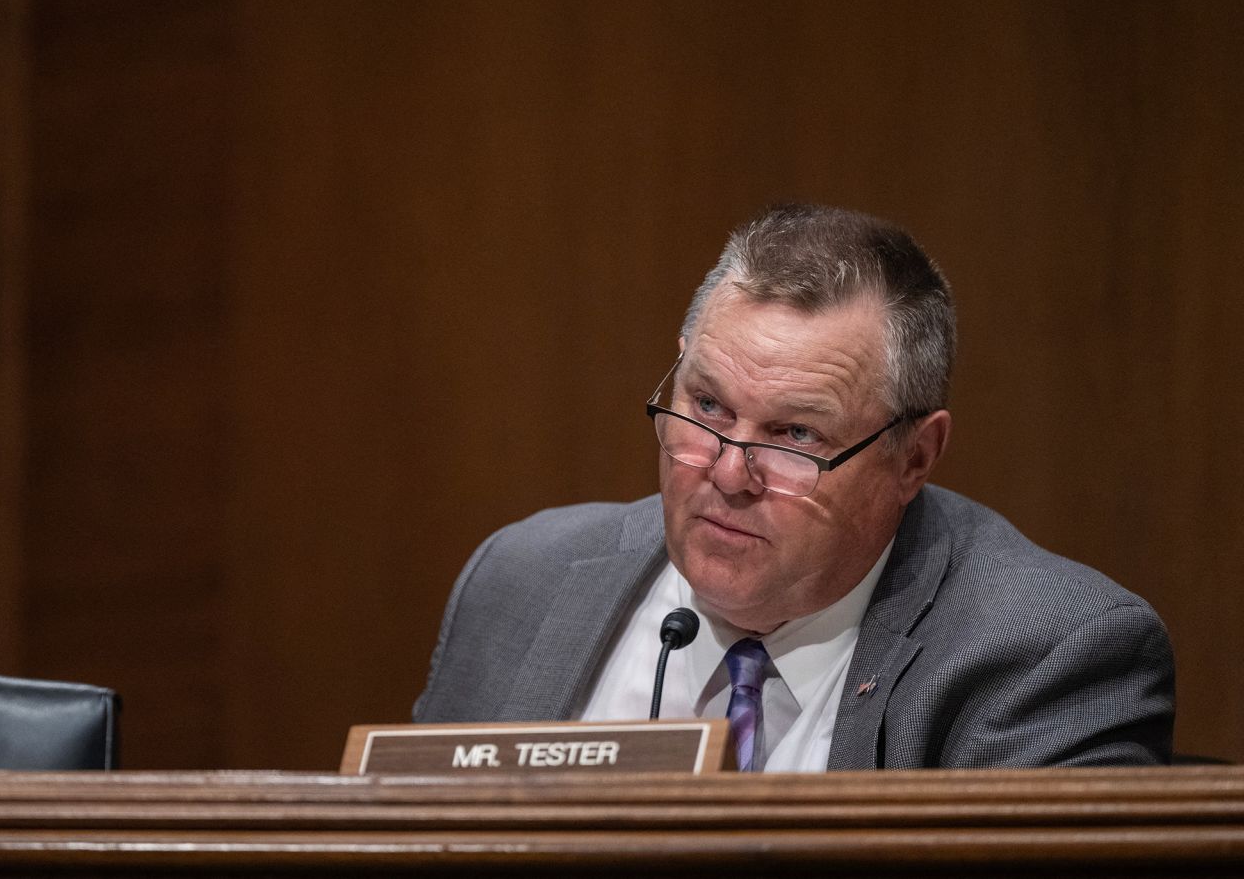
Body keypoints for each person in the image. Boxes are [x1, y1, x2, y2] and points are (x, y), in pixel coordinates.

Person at [413, 203, 1175, 770]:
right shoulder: (518, 581)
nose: (727, 471)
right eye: (707, 405)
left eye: (796, 435)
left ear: (915, 456)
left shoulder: (1042, 655)